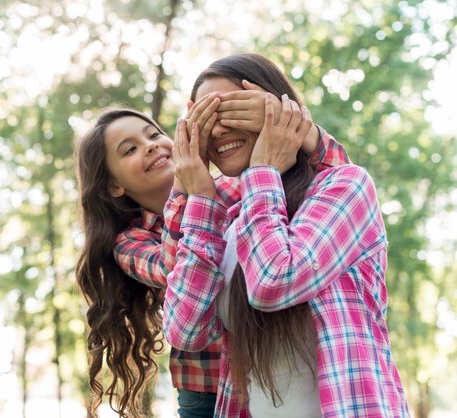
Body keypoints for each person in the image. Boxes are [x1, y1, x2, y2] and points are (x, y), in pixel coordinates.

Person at [74, 74, 348, 417]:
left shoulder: (230, 190)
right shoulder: (128, 242)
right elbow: (175, 267)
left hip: (267, 372)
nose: (150, 146)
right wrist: (188, 189)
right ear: (113, 185)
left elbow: (332, 172)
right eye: (129, 149)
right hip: (204, 389)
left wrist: (287, 121)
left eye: (155, 134)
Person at [163, 53, 410, 417]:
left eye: (232, 111)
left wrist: (266, 166)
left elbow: (274, 280)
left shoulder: (345, 186)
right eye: (207, 117)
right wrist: (199, 196)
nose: (217, 130)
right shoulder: (233, 222)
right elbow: (184, 331)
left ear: (280, 111)